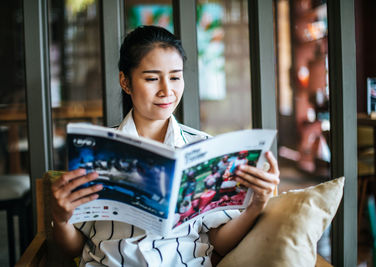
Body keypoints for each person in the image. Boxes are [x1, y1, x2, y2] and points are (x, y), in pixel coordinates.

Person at [50, 25, 280, 267]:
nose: (167, 91)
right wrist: (61, 218)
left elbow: (219, 242)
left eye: (175, 77)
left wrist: (256, 205)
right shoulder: (97, 151)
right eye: (151, 78)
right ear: (125, 82)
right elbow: (73, 247)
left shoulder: (201, 147)